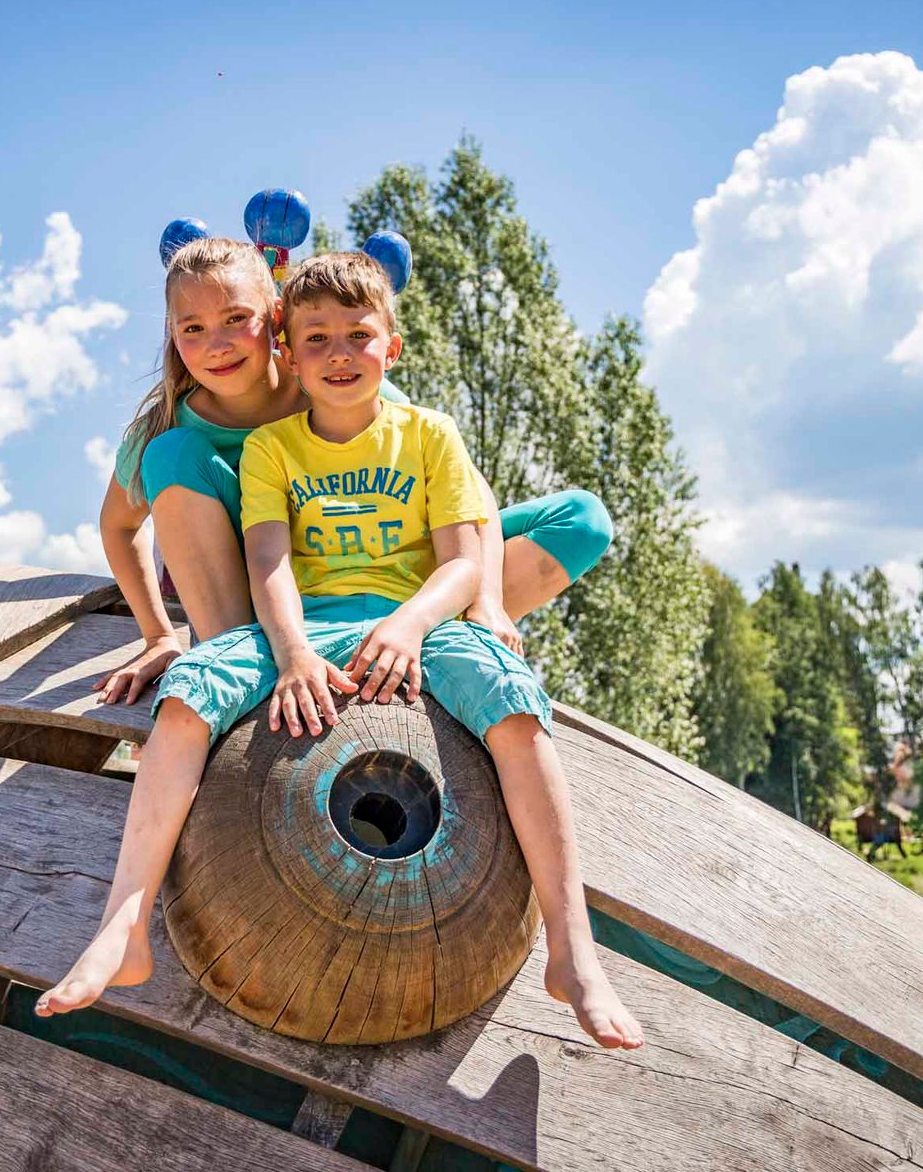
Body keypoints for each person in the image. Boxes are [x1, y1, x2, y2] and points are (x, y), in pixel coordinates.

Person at [39, 252, 644, 1051]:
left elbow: (467, 538)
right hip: (295, 620)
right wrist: (230, 643)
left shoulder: (414, 423)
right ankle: (124, 926)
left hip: (413, 607)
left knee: (515, 705)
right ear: (293, 344)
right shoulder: (257, 448)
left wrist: (451, 614)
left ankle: (573, 949)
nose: (336, 353)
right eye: (194, 327)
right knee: (188, 694)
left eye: (237, 320)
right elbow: (265, 559)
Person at [92, 235, 615, 709]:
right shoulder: (163, 427)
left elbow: (464, 487)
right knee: (170, 454)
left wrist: (488, 601)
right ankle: (245, 672)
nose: (217, 343)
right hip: (276, 605)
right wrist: (160, 636)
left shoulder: (336, 380)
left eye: (236, 319)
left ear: (276, 320)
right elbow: (118, 525)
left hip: (388, 580)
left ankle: (414, 640)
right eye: (193, 329)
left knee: (582, 519)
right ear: (172, 334)